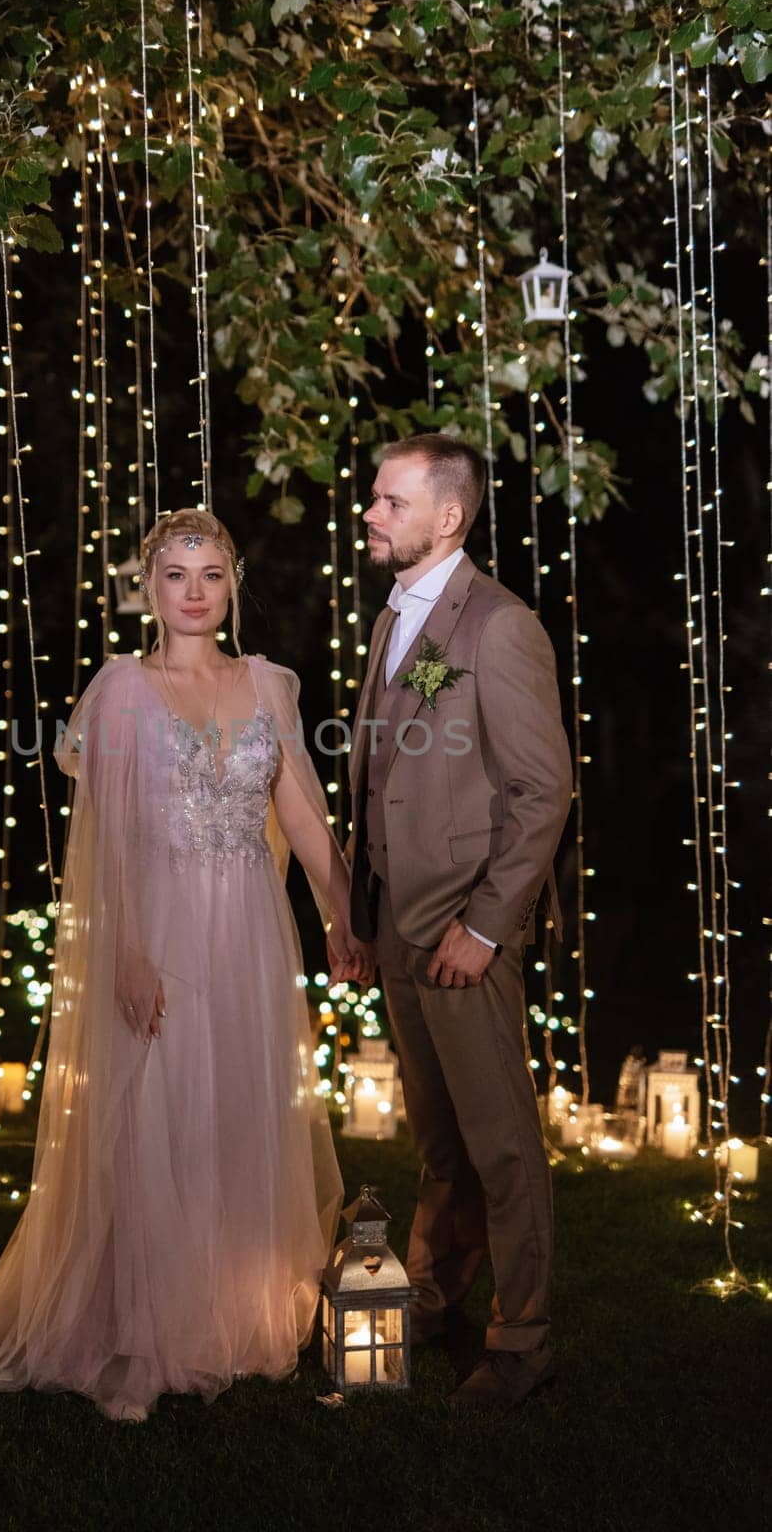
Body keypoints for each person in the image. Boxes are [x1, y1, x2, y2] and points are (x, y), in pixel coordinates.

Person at [0, 508, 370, 1421]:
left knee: (235, 1110)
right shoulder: (121, 691)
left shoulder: (269, 684)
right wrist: (129, 952)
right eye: (176, 576)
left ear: (234, 585)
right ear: (147, 588)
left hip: (249, 933)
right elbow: (107, 839)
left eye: (212, 576)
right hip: (159, 928)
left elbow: (304, 816)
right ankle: (142, 1339)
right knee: (157, 1119)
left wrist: (346, 919)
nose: (194, 594)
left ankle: (226, 1313)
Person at [348, 433, 573, 1410]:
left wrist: (484, 927)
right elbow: (390, 772)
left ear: (448, 516)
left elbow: (543, 790)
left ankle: (521, 1335)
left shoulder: (500, 625)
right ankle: (436, 1293)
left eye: (390, 501)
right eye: (373, 498)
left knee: (502, 1143)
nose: (370, 512)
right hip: (399, 927)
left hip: (464, 936)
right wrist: (363, 914)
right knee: (438, 1138)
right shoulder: (400, 619)